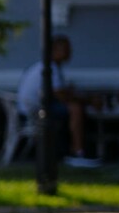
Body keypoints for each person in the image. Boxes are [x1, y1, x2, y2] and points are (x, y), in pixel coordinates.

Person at [17, 35, 98, 168]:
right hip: (34, 112)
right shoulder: (49, 68)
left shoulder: (50, 67)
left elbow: (61, 92)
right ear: (55, 50)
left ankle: (74, 150)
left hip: (35, 109)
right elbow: (60, 95)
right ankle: (77, 152)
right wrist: (88, 100)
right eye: (66, 49)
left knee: (73, 107)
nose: (69, 53)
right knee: (75, 108)